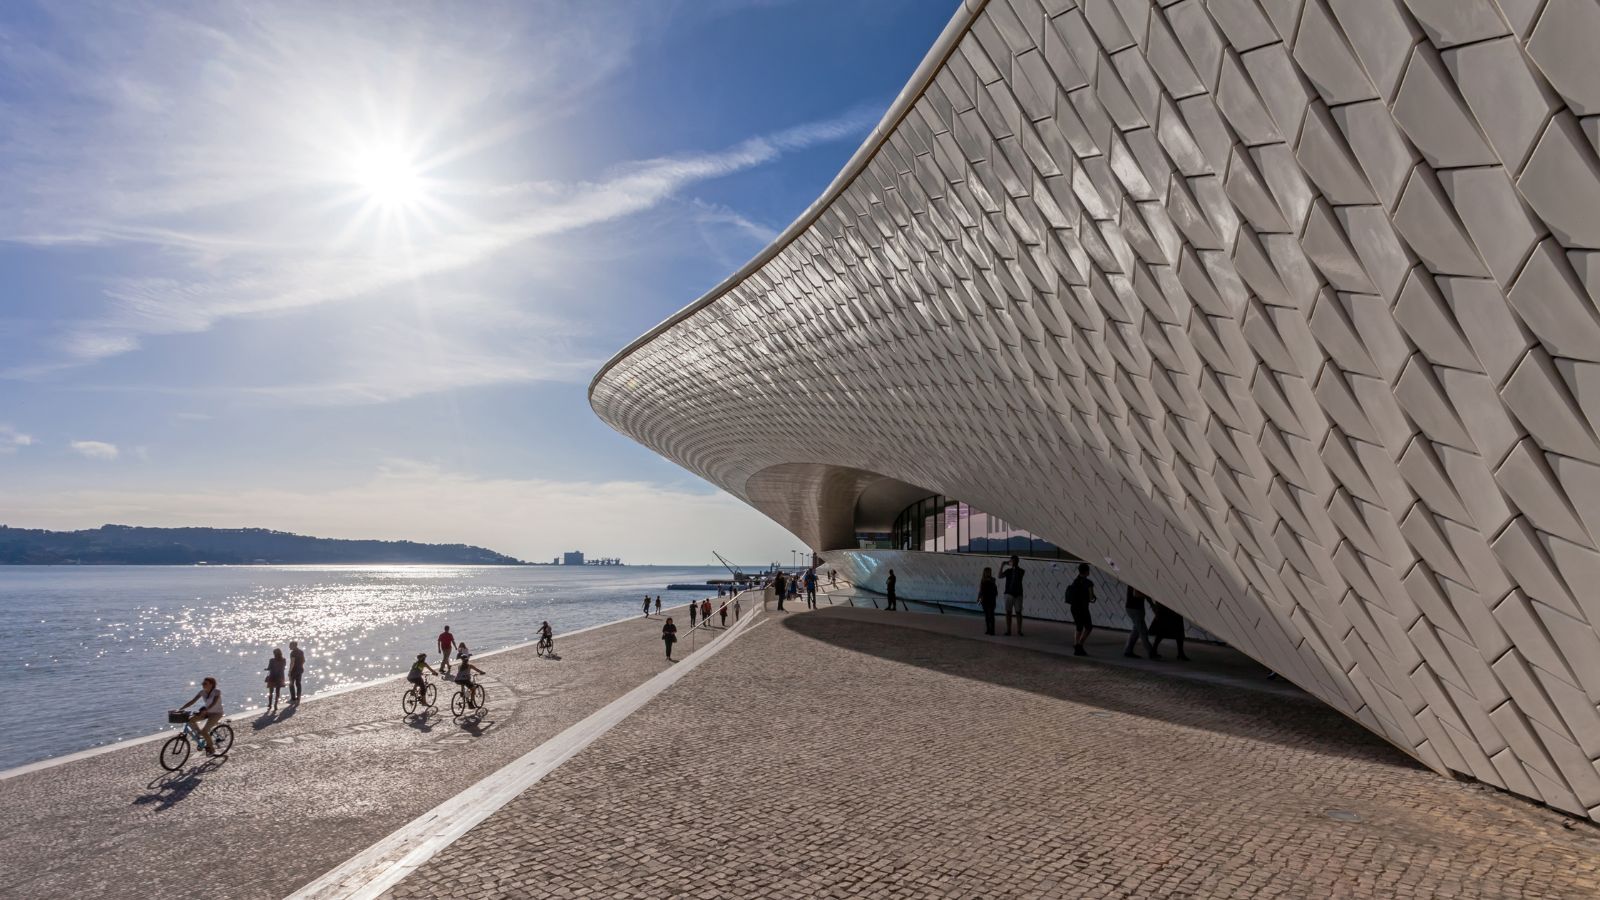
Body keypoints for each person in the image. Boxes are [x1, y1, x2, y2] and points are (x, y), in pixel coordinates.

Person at [177, 677, 224, 752]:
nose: (203, 685)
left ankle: (211, 748)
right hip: (207, 712)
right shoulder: (202, 692)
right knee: (190, 720)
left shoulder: (217, 692)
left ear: (211, 684)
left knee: (204, 731)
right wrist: (181, 709)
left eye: (205, 683)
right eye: (202, 683)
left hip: (216, 713)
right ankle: (199, 734)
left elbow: (214, 702)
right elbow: (192, 701)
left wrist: (206, 709)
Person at [1066, 563, 1095, 655]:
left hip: (1074, 608)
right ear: (1086, 571)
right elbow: (1091, 598)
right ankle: (1080, 644)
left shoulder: (1075, 581)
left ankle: (1076, 644)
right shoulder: (1089, 583)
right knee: (1088, 627)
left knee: (1079, 626)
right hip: (1083, 608)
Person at [1123, 587, 1154, 659]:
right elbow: (1136, 594)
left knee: (1136, 630)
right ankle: (1151, 652)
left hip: (1133, 608)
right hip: (1135, 609)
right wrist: (1148, 594)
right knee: (1143, 631)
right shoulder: (1136, 583)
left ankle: (1128, 651)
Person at [999, 555, 1025, 636]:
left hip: (1018, 594)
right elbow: (999, 576)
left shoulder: (1021, 571)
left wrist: (1011, 566)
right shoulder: (1008, 571)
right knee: (1008, 612)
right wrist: (1002, 565)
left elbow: (1018, 575)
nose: (1013, 562)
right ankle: (1008, 630)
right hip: (1009, 593)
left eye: (1014, 561)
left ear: (1017, 561)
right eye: (1012, 561)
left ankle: (1019, 630)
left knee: (1018, 612)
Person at [977, 567, 999, 635]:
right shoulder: (982, 580)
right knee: (987, 616)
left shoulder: (992, 579)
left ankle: (992, 630)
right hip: (985, 599)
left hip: (991, 599)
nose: (988, 573)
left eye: (989, 572)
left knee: (991, 615)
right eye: (986, 572)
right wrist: (978, 598)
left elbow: (994, 588)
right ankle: (988, 629)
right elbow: (981, 590)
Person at [265, 647, 286, 712]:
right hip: (280, 677)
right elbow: (283, 667)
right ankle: (275, 705)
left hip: (272, 676)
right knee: (277, 691)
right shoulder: (283, 660)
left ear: (274, 654)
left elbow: (269, 668)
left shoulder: (272, 660)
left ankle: (270, 704)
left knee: (271, 692)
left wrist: (266, 669)